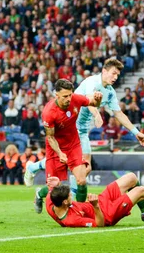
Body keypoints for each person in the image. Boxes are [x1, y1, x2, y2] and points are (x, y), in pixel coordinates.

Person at [25, 60, 144, 207]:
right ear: (104, 71)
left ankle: (40, 178)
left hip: (83, 131)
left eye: (118, 74)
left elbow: (118, 113)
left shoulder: (110, 92)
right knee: (77, 169)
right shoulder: (92, 82)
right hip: (71, 127)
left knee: (85, 169)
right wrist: (97, 114)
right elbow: (89, 101)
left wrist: (136, 132)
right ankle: (68, 198)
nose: (115, 77)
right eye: (113, 73)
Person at [31, 79, 102, 214]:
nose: (69, 99)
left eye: (70, 94)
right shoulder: (49, 112)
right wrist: (59, 153)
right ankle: (40, 193)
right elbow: (50, 137)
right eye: (65, 96)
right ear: (56, 95)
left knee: (81, 180)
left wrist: (98, 99)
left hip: (73, 145)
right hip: (55, 149)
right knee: (55, 188)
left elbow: (93, 103)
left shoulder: (75, 99)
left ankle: (81, 211)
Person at [46, 173, 144, 227]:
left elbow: (47, 193)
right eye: (69, 196)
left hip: (102, 199)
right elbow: (99, 224)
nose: (71, 196)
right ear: (65, 202)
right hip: (107, 213)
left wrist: (54, 185)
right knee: (141, 191)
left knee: (131, 178)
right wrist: (96, 207)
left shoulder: (51, 202)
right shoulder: (71, 220)